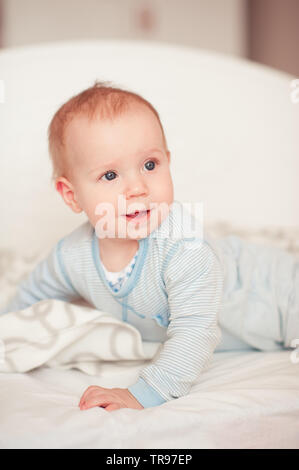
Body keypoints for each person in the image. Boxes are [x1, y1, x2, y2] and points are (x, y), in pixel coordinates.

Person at [1, 82, 298, 412]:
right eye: (110, 175)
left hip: (279, 296)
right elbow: (26, 305)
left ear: (168, 162)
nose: (138, 188)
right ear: (71, 195)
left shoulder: (185, 248)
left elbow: (195, 331)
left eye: (150, 165)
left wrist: (143, 393)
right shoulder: (71, 257)